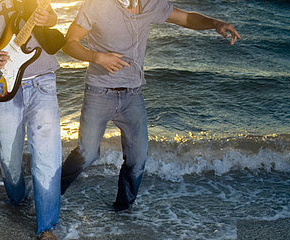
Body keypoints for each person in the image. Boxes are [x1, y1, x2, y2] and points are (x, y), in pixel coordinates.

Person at [61, 0, 240, 212]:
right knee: (87, 154)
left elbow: (187, 18)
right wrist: (97, 57)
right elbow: (69, 42)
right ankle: (49, 196)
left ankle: (123, 209)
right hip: (100, 93)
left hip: (133, 96)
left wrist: (215, 23)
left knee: (137, 159)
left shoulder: (150, 4)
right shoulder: (97, 5)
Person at [0, 0, 65, 240]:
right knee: (8, 158)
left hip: (42, 80)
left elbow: (52, 18)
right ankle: (17, 200)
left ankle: (46, 226)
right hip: (3, 84)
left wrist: (46, 19)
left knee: (47, 158)